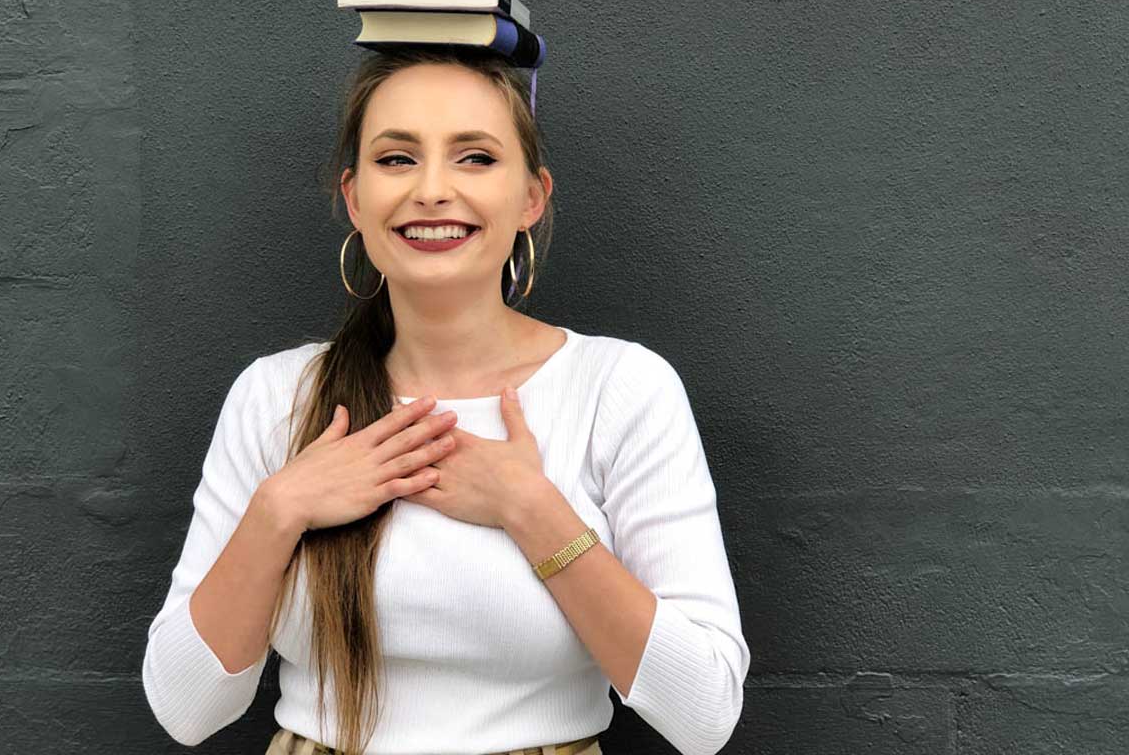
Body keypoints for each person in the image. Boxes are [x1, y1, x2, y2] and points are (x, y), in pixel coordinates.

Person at [141, 45, 749, 755]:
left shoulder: (621, 388)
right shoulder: (277, 396)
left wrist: (531, 511)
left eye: (475, 158)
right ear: (354, 199)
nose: (431, 189)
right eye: (397, 158)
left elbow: (704, 714)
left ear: (532, 198)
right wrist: (280, 510)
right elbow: (186, 709)